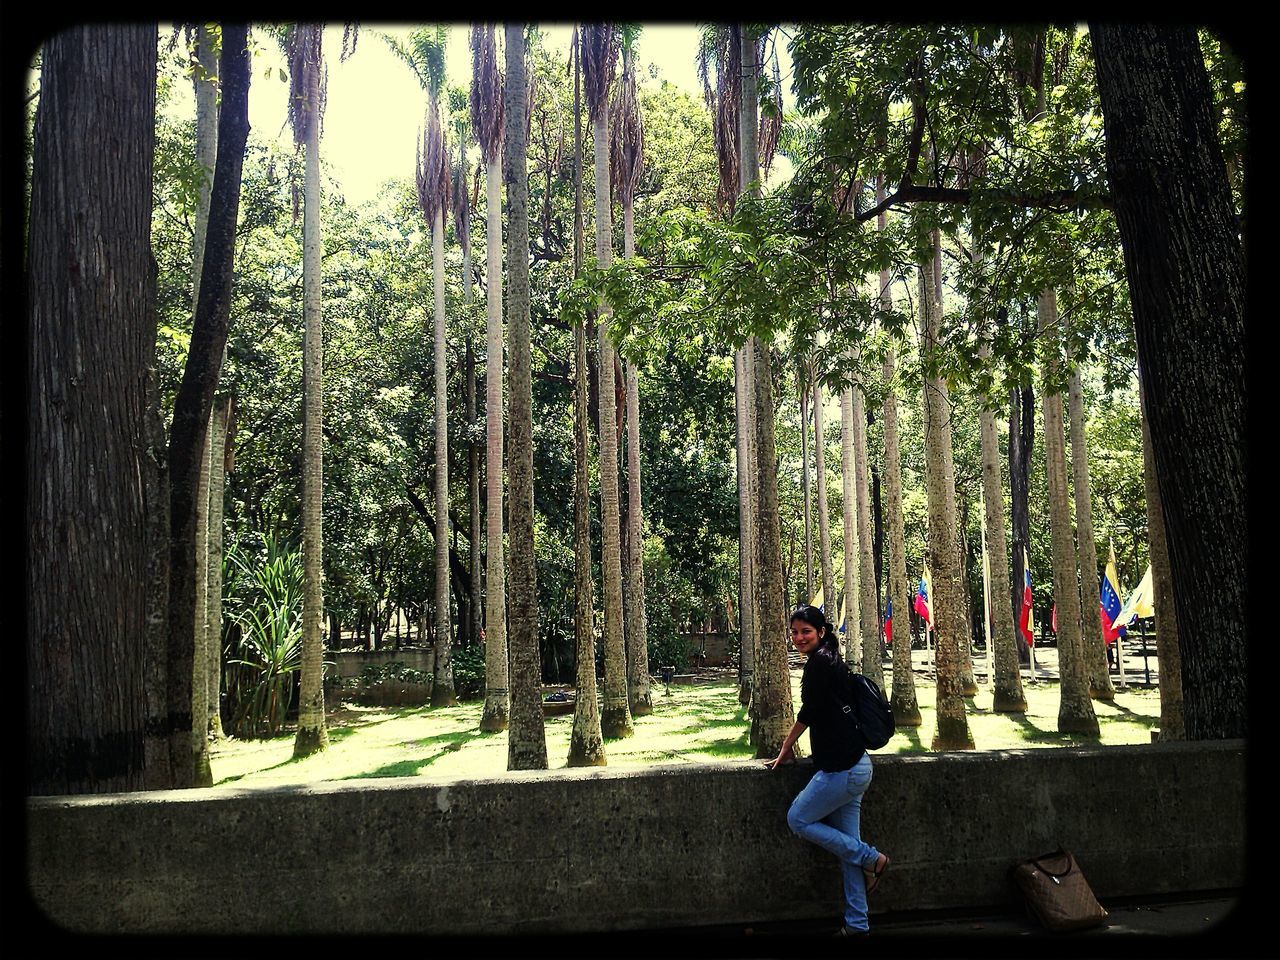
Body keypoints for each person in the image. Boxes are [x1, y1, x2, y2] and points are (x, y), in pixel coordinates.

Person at [769, 604, 890, 937]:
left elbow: (808, 712)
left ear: (821, 632)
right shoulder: (830, 658)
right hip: (856, 766)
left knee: (798, 818)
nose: (798, 638)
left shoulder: (820, 663)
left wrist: (785, 746)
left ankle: (873, 858)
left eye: (805, 631)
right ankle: (857, 925)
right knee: (847, 848)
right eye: (794, 632)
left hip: (842, 771)